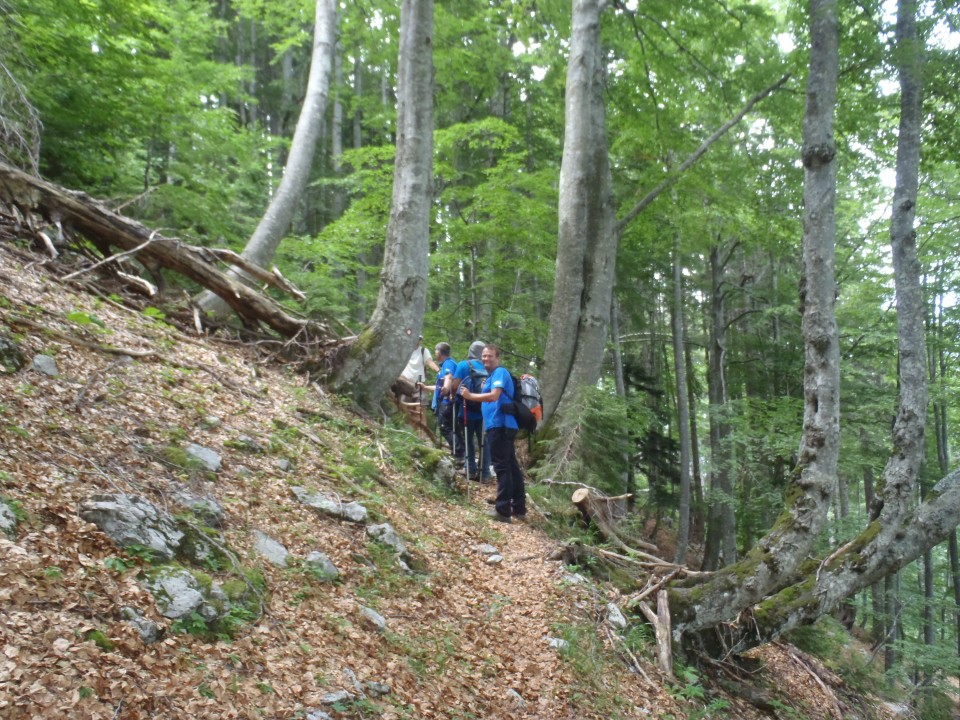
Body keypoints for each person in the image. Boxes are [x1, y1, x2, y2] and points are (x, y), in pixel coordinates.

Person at [458, 343, 525, 523]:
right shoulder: (492, 376)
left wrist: (470, 396)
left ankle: (503, 511)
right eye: (484, 356)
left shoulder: (500, 373)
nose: (486, 359)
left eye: (490, 356)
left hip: (500, 425)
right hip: (500, 425)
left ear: (497, 358)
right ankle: (519, 508)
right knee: (511, 467)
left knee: (502, 468)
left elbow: (494, 396)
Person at [444, 340, 491, 482]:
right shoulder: (488, 367)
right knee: (484, 441)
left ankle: (470, 469)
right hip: (484, 410)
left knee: (468, 440)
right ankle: (485, 473)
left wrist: (450, 392)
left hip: (466, 410)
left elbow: (454, 386)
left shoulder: (464, 365)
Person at [433, 342, 462, 462]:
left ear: (439, 353)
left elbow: (449, 377)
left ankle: (459, 453)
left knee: (445, 427)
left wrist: (445, 389)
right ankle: (457, 452)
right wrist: (424, 387)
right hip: (444, 401)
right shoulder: (444, 365)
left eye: (435, 351)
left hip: (447, 402)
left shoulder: (448, 364)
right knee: (451, 427)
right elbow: (439, 386)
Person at [400, 335, 439, 405]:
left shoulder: (423, 351)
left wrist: (439, 371)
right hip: (405, 385)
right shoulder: (403, 351)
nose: (417, 341)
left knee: (420, 409)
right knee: (405, 409)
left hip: (419, 385)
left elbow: (430, 362)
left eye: (419, 339)